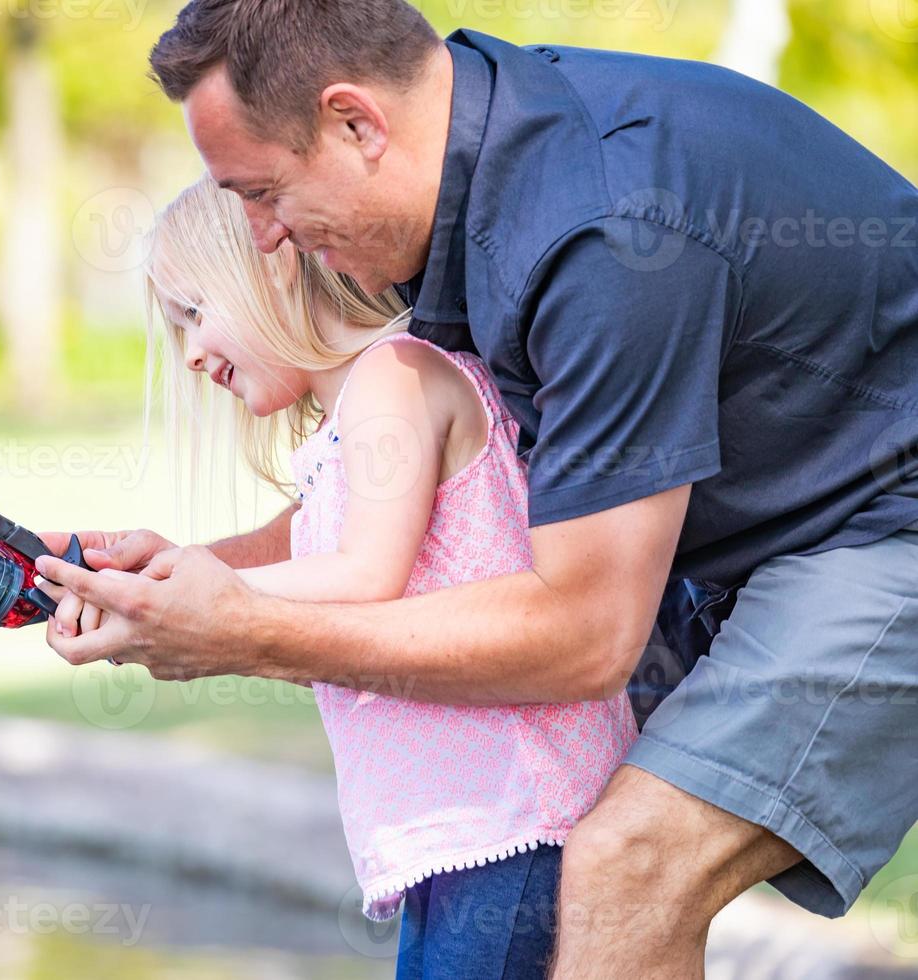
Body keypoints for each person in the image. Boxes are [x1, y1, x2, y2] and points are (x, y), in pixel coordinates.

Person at [34, 3, 918, 976]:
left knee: (634, 862)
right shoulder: (473, 190)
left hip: (886, 519)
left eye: (260, 192)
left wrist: (238, 627)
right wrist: (171, 574)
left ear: (355, 123)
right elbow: (382, 516)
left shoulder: (604, 234)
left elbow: (582, 632)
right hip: (762, 529)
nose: (263, 236)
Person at [55, 175, 638, 975]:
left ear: (273, 262)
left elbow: (365, 576)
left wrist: (196, 596)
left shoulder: (391, 378)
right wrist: (149, 573)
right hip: (465, 833)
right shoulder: (346, 427)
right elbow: (315, 555)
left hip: (512, 820)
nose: (190, 352)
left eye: (195, 310)